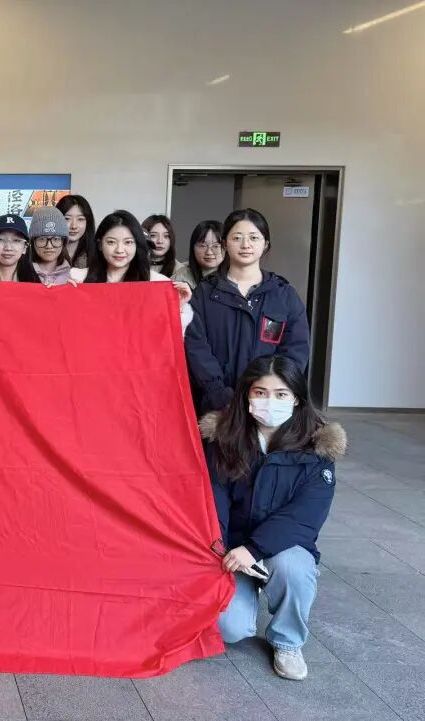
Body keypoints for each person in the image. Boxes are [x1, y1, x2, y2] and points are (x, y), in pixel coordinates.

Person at [202, 354, 344, 681]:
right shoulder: (224, 440)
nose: (270, 402)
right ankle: (246, 593)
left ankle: (288, 642)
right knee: (230, 628)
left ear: (296, 399)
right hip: (233, 550)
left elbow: (304, 516)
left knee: (293, 568)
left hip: (283, 546)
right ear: (246, 396)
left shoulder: (316, 449)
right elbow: (212, 498)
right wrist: (219, 547)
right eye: (260, 392)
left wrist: (255, 549)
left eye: (281, 394)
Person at [185, 208, 310, 415]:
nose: (246, 245)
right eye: (237, 238)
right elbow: (196, 347)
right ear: (225, 243)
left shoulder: (283, 295)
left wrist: (272, 391)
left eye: (254, 237)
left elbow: (296, 349)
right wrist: (218, 393)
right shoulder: (204, 294)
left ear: (265, 244)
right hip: (215, 405)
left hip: (268, 406)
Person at [69, 210, 193, 332]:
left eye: (128, 242)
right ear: (100, 244)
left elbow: (166, 336)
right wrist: (62, 297)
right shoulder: (77, 278)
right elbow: (67, 328)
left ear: (137, 245)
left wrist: (177, 307)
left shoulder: (157, 282)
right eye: (111, 242)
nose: (119, 250)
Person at [0, 215, 38, 282]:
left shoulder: (36, 284)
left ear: (25, 248)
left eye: (16, 240)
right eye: (0, 239)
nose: (8, 248)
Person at [173, 219, 224, 289]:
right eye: (203, 246)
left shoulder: (235, 276)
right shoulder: (181, 276)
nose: (209, 252)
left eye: (216, 246)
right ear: (193, 248)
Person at [29, 206, 72, 286]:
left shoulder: (74, 275)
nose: (49, 246)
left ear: (64, 242)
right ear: (32, 241)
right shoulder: (21, 273)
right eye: (42, 239)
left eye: (56, 239)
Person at [56, 194, 95, 268]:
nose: (74, 226)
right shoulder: (47, 254)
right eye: (67, 219)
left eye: (80, 219)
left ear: (88, 222)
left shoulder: (97, 256)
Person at [143, 214, 186, 278]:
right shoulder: (132, 266)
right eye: (153, 235)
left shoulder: (180, 270)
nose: (160, 241)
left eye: (166, 236)